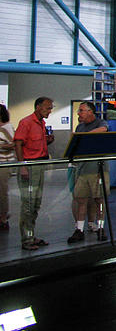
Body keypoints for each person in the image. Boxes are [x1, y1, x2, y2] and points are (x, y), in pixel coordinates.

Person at [14, 96, 54, 250]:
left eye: (51, 108)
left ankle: (31, 235)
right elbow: (18, 143)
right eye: (48, 108)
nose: (50, 111)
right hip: (30, 167)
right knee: (28, 204)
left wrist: (47, 141)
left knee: (35, 203)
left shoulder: (41, 124)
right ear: (38, 107)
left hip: (39, 165)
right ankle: (26, 240)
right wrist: (22, 165)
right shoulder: (26, 123)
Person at [68, 102, 109, 243]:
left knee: (99, 199)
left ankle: (101, 228)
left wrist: (83, 136)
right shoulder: (79, 126)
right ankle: (79, 229)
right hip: (82, 169)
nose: (79, 113)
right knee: (81, 199)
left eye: (81, 111)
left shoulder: (100, 123)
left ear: (90, 112)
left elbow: (103, 129)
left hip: (97, 169)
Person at [0, 104, 15, 231]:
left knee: (2, 191)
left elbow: (13, 144)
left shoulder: (6, 128)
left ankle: (3, 218)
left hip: (4, 164)